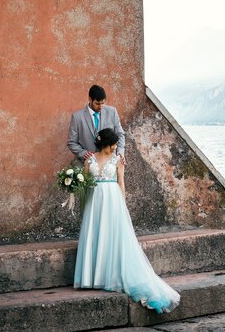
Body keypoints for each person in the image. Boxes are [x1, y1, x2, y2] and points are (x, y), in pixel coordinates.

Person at [74, 128, 180, 313]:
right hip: (94, 200)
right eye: (113, 144)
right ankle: (92, 278)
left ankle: (109, 277)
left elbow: (121, 182)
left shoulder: (117, 160)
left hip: (112, 200)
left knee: (111, 237)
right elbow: (84, 182)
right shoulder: (89, 159)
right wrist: (77, 192)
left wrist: (122, 206)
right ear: (105, 144)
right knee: (95, 234)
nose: (116, 147)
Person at [67, 85, 125, 164]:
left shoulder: (112, 112)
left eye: (103, 103)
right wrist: (84, 153)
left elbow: (120, 134)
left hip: (110, 164)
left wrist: (120, 151)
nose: (101, 107)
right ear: (90, 99)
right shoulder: (77, 117)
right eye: (97, 103)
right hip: (87, 165)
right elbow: (72, 142)